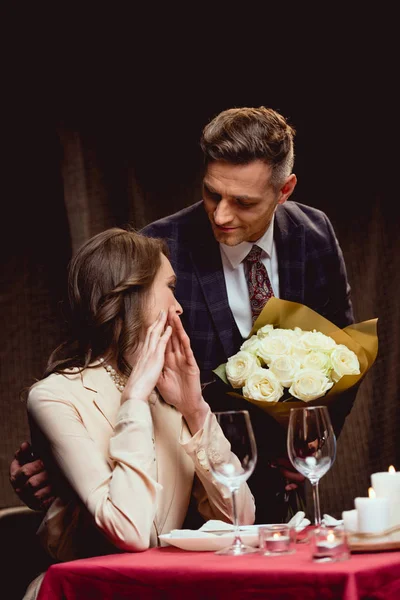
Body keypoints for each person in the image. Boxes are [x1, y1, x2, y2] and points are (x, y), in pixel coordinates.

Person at [10, 106, 356, 524]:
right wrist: (58, 457)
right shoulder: (157, 248)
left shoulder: (314, 233)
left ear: (284, 191)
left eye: (244, 202)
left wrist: (313, 440)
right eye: (212, 193)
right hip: (185, 503)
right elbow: (101, 359)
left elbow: (342, 352)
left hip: (278, 492)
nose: (222, 215)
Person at [19, 227, 255, 599]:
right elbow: (130, 532)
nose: (178, 306)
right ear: (133, 295)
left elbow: (241, 520)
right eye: (170, 287)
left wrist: (194, 409)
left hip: (161, 589)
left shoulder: (169, 393)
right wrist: (133, 400)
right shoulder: (54, 397)